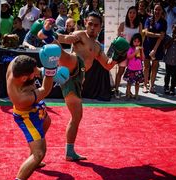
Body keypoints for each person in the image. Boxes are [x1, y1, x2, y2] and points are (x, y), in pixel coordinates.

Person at [35, 12, 129, 161]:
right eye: (90, 24)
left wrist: (118, 56)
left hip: (75, 80)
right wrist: (50, 34)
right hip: (72, 65)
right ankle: (48, 37)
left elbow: (108, 65)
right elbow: (65, 38)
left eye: (96, 25)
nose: (92, 27)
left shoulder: (98, 47)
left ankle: (69, 152)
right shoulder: (80, 35)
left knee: (76, 117)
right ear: (85, 23)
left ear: (100, 27)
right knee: (70, 58)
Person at [4, 44, 70, 180]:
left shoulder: (16, 63)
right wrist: (50, 69)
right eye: (34, 73)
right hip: (27, 116)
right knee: (40, 153)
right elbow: (46, 89)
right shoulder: (21, 97)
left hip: (37, 108)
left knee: (47, 121)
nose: (36, 73)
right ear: (25, 78)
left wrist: (44, 68)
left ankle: (32, 156)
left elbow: (31, 69)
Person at [114, 6, 142, 98]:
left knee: (133, 74)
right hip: (123, 53)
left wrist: (139, 54)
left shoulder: (139, 25)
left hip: (134, 53)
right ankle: (116, 90)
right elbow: (118, 39)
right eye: (130, 12)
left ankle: (128, 92)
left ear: (136, 14)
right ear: (127, 14)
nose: (132, 15)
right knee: (121, 71)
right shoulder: (123, 24)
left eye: (134, 13)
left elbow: (140, 40)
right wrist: (120, 36)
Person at [142, 3, 167, 94]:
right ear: (153, 10)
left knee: (155, 67)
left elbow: (162, 37)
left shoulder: (164, 22)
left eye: (159, 10)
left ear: (162, 11)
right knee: (146, 67)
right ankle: (145, 85)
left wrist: (154, 50)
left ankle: (152, 85)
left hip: (157, 47)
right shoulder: (148, 20)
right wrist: (157, 35)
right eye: (156, 9)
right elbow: (146, 33)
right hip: (147, 45)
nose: (157, 11)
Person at [123, 33, 145, 100]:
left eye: (138, 41)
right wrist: (135, 52)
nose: (136, 43)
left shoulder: (140, 49)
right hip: (131, 69)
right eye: (135, 41)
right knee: (129, 83)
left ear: (140, 42)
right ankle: (128, 94)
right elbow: (129, 57)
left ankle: (136, 95)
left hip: (138, 69)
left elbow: (143, 58)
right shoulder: (131, 49)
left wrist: (141, 51)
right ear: (132, 41)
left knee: (137, 83)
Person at [163, 23, 176, 95]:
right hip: (168, 58)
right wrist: (172, 40)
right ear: (172, 28)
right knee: (167, 74)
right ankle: (166, 87)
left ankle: (172, 88)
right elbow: (165, 47)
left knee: (174, 75)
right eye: (175, 28)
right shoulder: (168, 36)